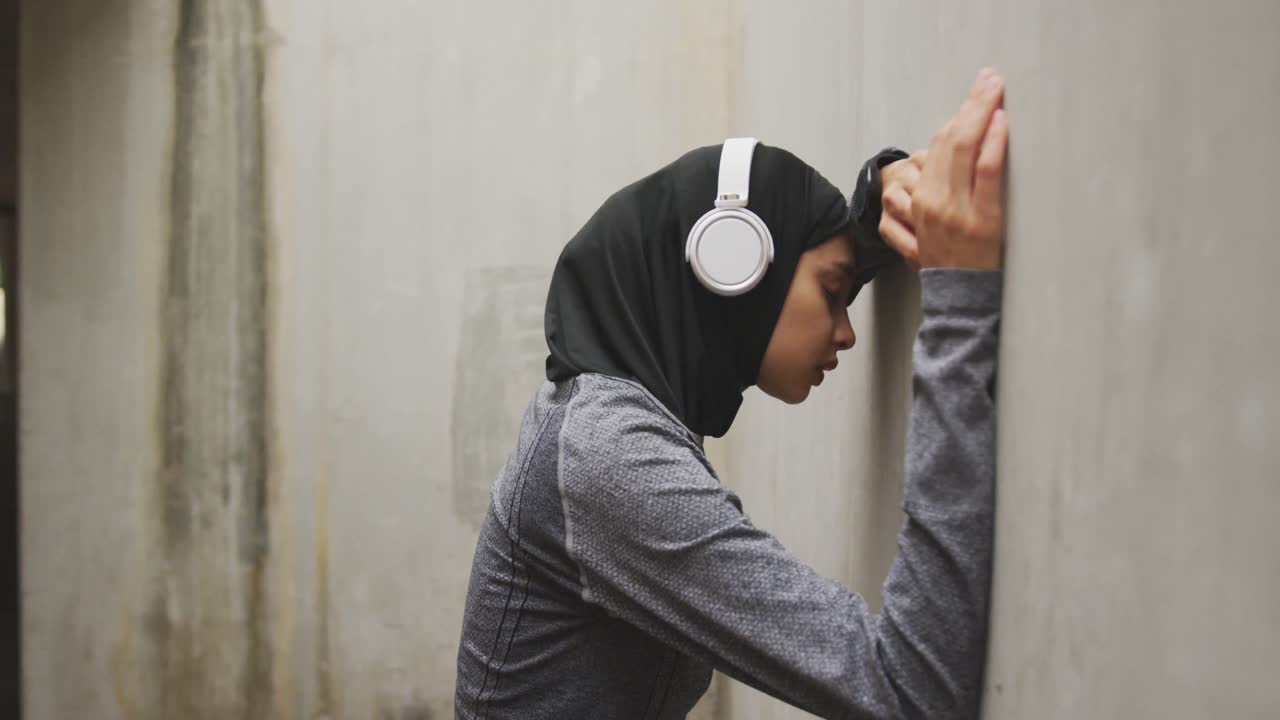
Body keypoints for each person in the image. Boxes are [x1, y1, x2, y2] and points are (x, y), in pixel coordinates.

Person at [455, 68, 1009, 719]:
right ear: (730, 269)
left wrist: (872, 207)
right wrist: (958, 304)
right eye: (833, 292)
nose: (847, 332)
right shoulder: (611, 464)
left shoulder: (598, 417)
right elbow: (912, 691)